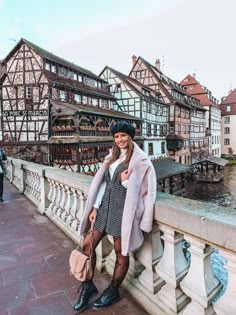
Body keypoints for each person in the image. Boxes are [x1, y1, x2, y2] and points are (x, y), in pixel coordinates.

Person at [74, 122, 157, 313]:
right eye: (117, 136)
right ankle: (87, 286)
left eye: (124, 136)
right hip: (104, 209)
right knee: (87, 245)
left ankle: (113, 290)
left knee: (121, 253)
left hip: (123, 213)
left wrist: (127, 182)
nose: (120, 139)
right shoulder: (111, 158)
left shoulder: (142, 161)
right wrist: (95, 207)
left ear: (130, 137)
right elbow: (104, 184)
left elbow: (148, 192)